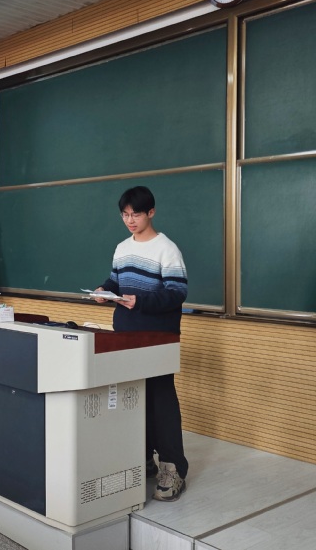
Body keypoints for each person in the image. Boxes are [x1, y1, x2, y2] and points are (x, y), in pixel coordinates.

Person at [93, 185, 189, 502]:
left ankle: (174, 468)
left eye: (136, 214)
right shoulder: (122, 248)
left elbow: (177, 293)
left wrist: (141, 301)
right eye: (125, 214)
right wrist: (104, 290)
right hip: (126, 334)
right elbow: (115, 280)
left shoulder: (167, 249)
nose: (130, 220)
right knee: (133, 396)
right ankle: (144, 457)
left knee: (161, 399)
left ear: (151, 212)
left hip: (157, 337)